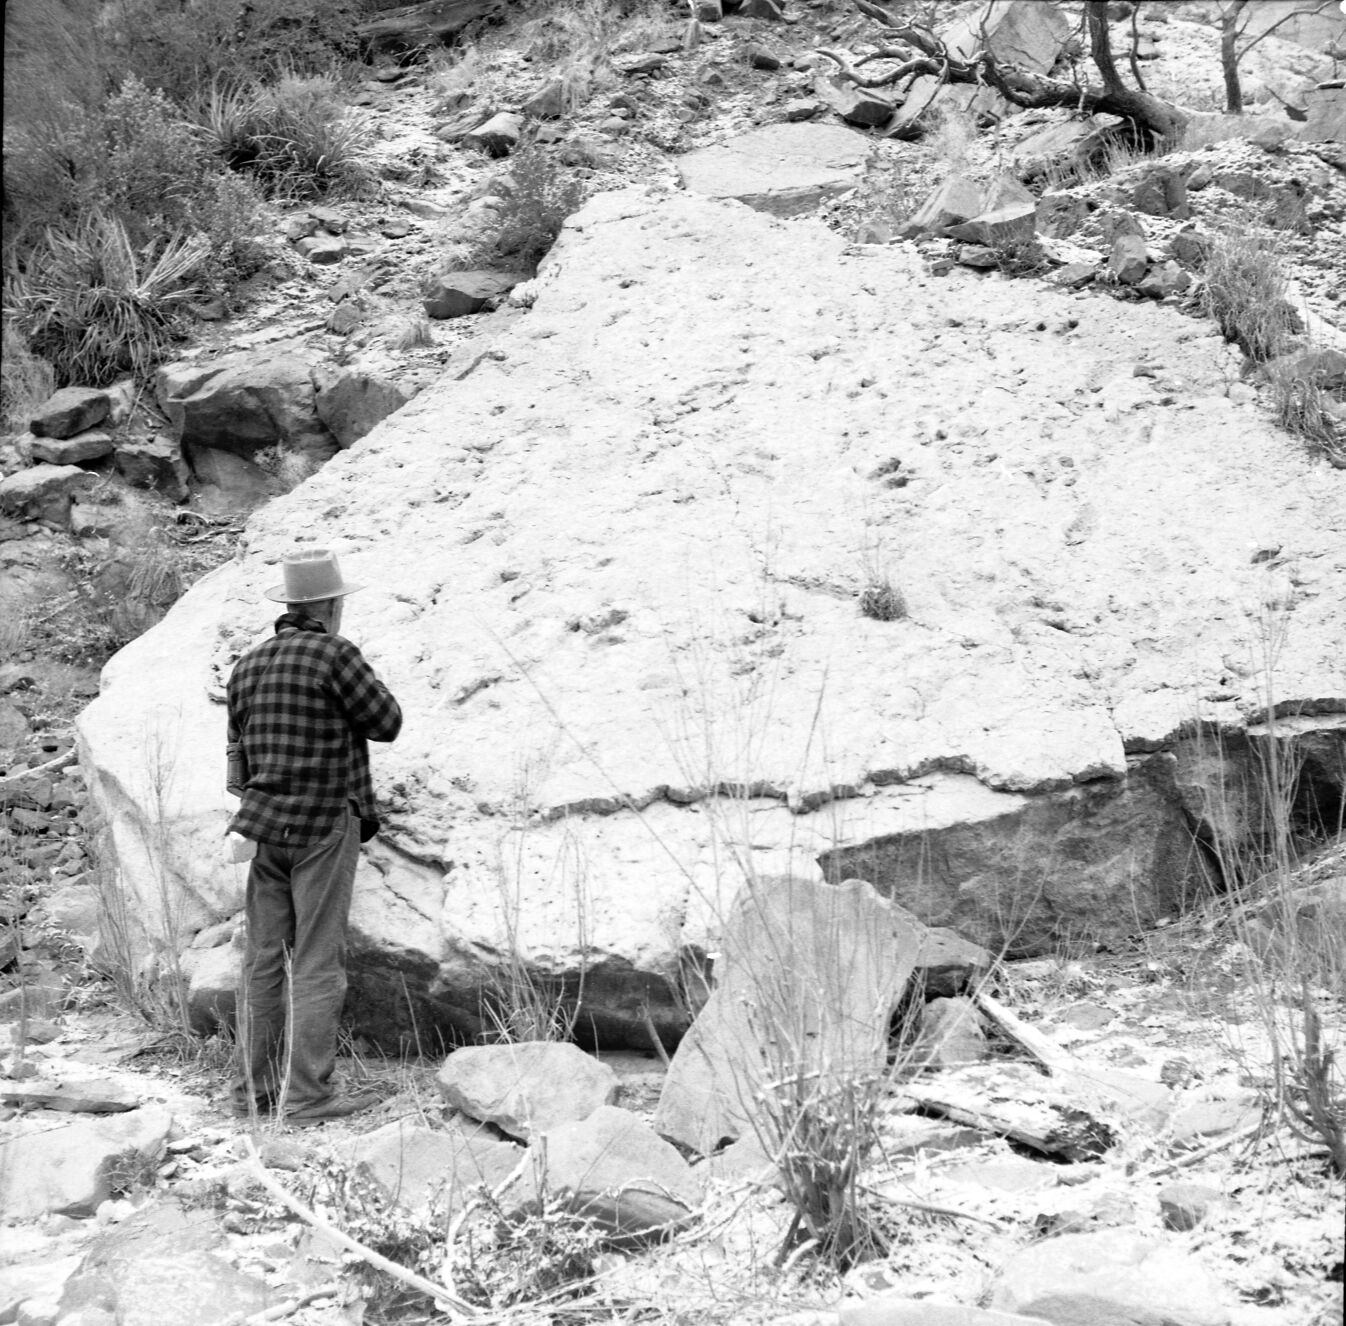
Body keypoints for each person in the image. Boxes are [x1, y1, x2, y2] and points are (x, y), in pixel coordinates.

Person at [225, 547, 402, 1124]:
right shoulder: (335, 655)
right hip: (324, 821)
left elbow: (238, 766)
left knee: (263, 962)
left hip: (261, 827)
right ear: (328, 606)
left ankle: (253, 1095)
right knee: (317, 963)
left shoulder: (247, 666)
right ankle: (308, 1097)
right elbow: (387, 723)